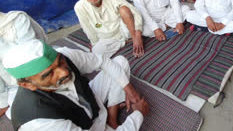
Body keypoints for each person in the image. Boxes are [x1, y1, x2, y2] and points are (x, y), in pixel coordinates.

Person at [3, 39, 149, 130]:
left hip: (87, 104)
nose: (63, 72)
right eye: (49, 74)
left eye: (59, 62)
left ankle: (112, 118)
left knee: (120, 62)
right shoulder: (39, 122)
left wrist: (130, 90)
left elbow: (103, 61)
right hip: (82, 126)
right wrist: (138, 114)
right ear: (28, 85)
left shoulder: (64, 55)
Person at [74, 0, 144, 57]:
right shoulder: (79, 7)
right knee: (97, 52)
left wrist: (137, 36)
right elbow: (87, 28)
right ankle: (125, 42)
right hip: (106, 38)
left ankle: (131, 38)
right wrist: (95, 44)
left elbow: (135, 12)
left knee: (124, 10)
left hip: (123, 30)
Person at [0, 11, 47, 119]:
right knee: (22, 115)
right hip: (14, 86)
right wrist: (2, 102)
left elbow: (29, 56)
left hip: (41, 73)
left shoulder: (17, 19)